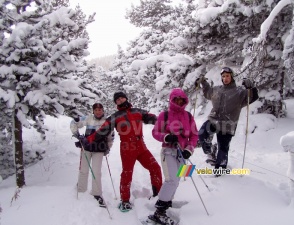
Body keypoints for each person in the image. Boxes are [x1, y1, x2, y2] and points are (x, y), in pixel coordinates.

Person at [85, 91, 162, 212]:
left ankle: (158, 195)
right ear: (116, 103)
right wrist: (87, 140)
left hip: (141, 146)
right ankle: (125, 201)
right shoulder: (115, 116)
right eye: (117, 100)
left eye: (121, 98)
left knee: (155, 168)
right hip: (127, 148)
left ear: (126, 98)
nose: (120, 100)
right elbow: (102, 130)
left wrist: (164, 123)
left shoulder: (137, 111)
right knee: (127, 173)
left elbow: (153, 118)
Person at [149, 88, 198, 225]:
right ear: (172, 100)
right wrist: (166, 137)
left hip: (182, 153)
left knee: (178, 179)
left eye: (181, 100)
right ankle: (159, 211)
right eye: (176, 99)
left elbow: (194, 135)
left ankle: (167, 201)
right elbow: (155, 132)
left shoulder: (188, 116)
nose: (179, 102)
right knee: (171, 180)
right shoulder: (164, 115)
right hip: (168, 151)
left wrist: (190, 149)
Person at [195, 67, 259, 171]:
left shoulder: (239, 92)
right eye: (223, 76)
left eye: (227, 76)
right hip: (213, 120)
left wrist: (251, 88)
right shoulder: (216, 89)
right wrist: (202, 82)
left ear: (232, 77)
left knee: (223, 149)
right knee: (202, 134)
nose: (225, 78)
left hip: (228, 125)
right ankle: (211, 152)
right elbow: (207, 92)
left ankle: (220, 170)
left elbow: (253, 97)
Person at [70, 103, 114, 207]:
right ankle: (81, 189)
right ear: (93, 111)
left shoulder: (107, 122)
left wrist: (108, 148)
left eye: (100, 110)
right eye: (96, 110)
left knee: (96, 172)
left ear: (103, 111)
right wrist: (77, 135)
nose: (98, 111)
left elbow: (111, 136)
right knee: (83, 170)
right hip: (87, 148)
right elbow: (73, 122)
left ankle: (97, 193)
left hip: (99, 149)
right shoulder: (88, 118)